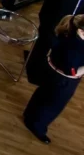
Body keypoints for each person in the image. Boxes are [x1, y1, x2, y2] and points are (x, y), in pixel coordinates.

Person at [23, 14, 84, 143]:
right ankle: (36, 127)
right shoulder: (77, 48)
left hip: (50, 71)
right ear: (81, 31)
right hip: (63, 81)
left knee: (41, 94)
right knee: (52, 106)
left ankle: (28, 116)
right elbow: (71, 70)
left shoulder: (68, 29)